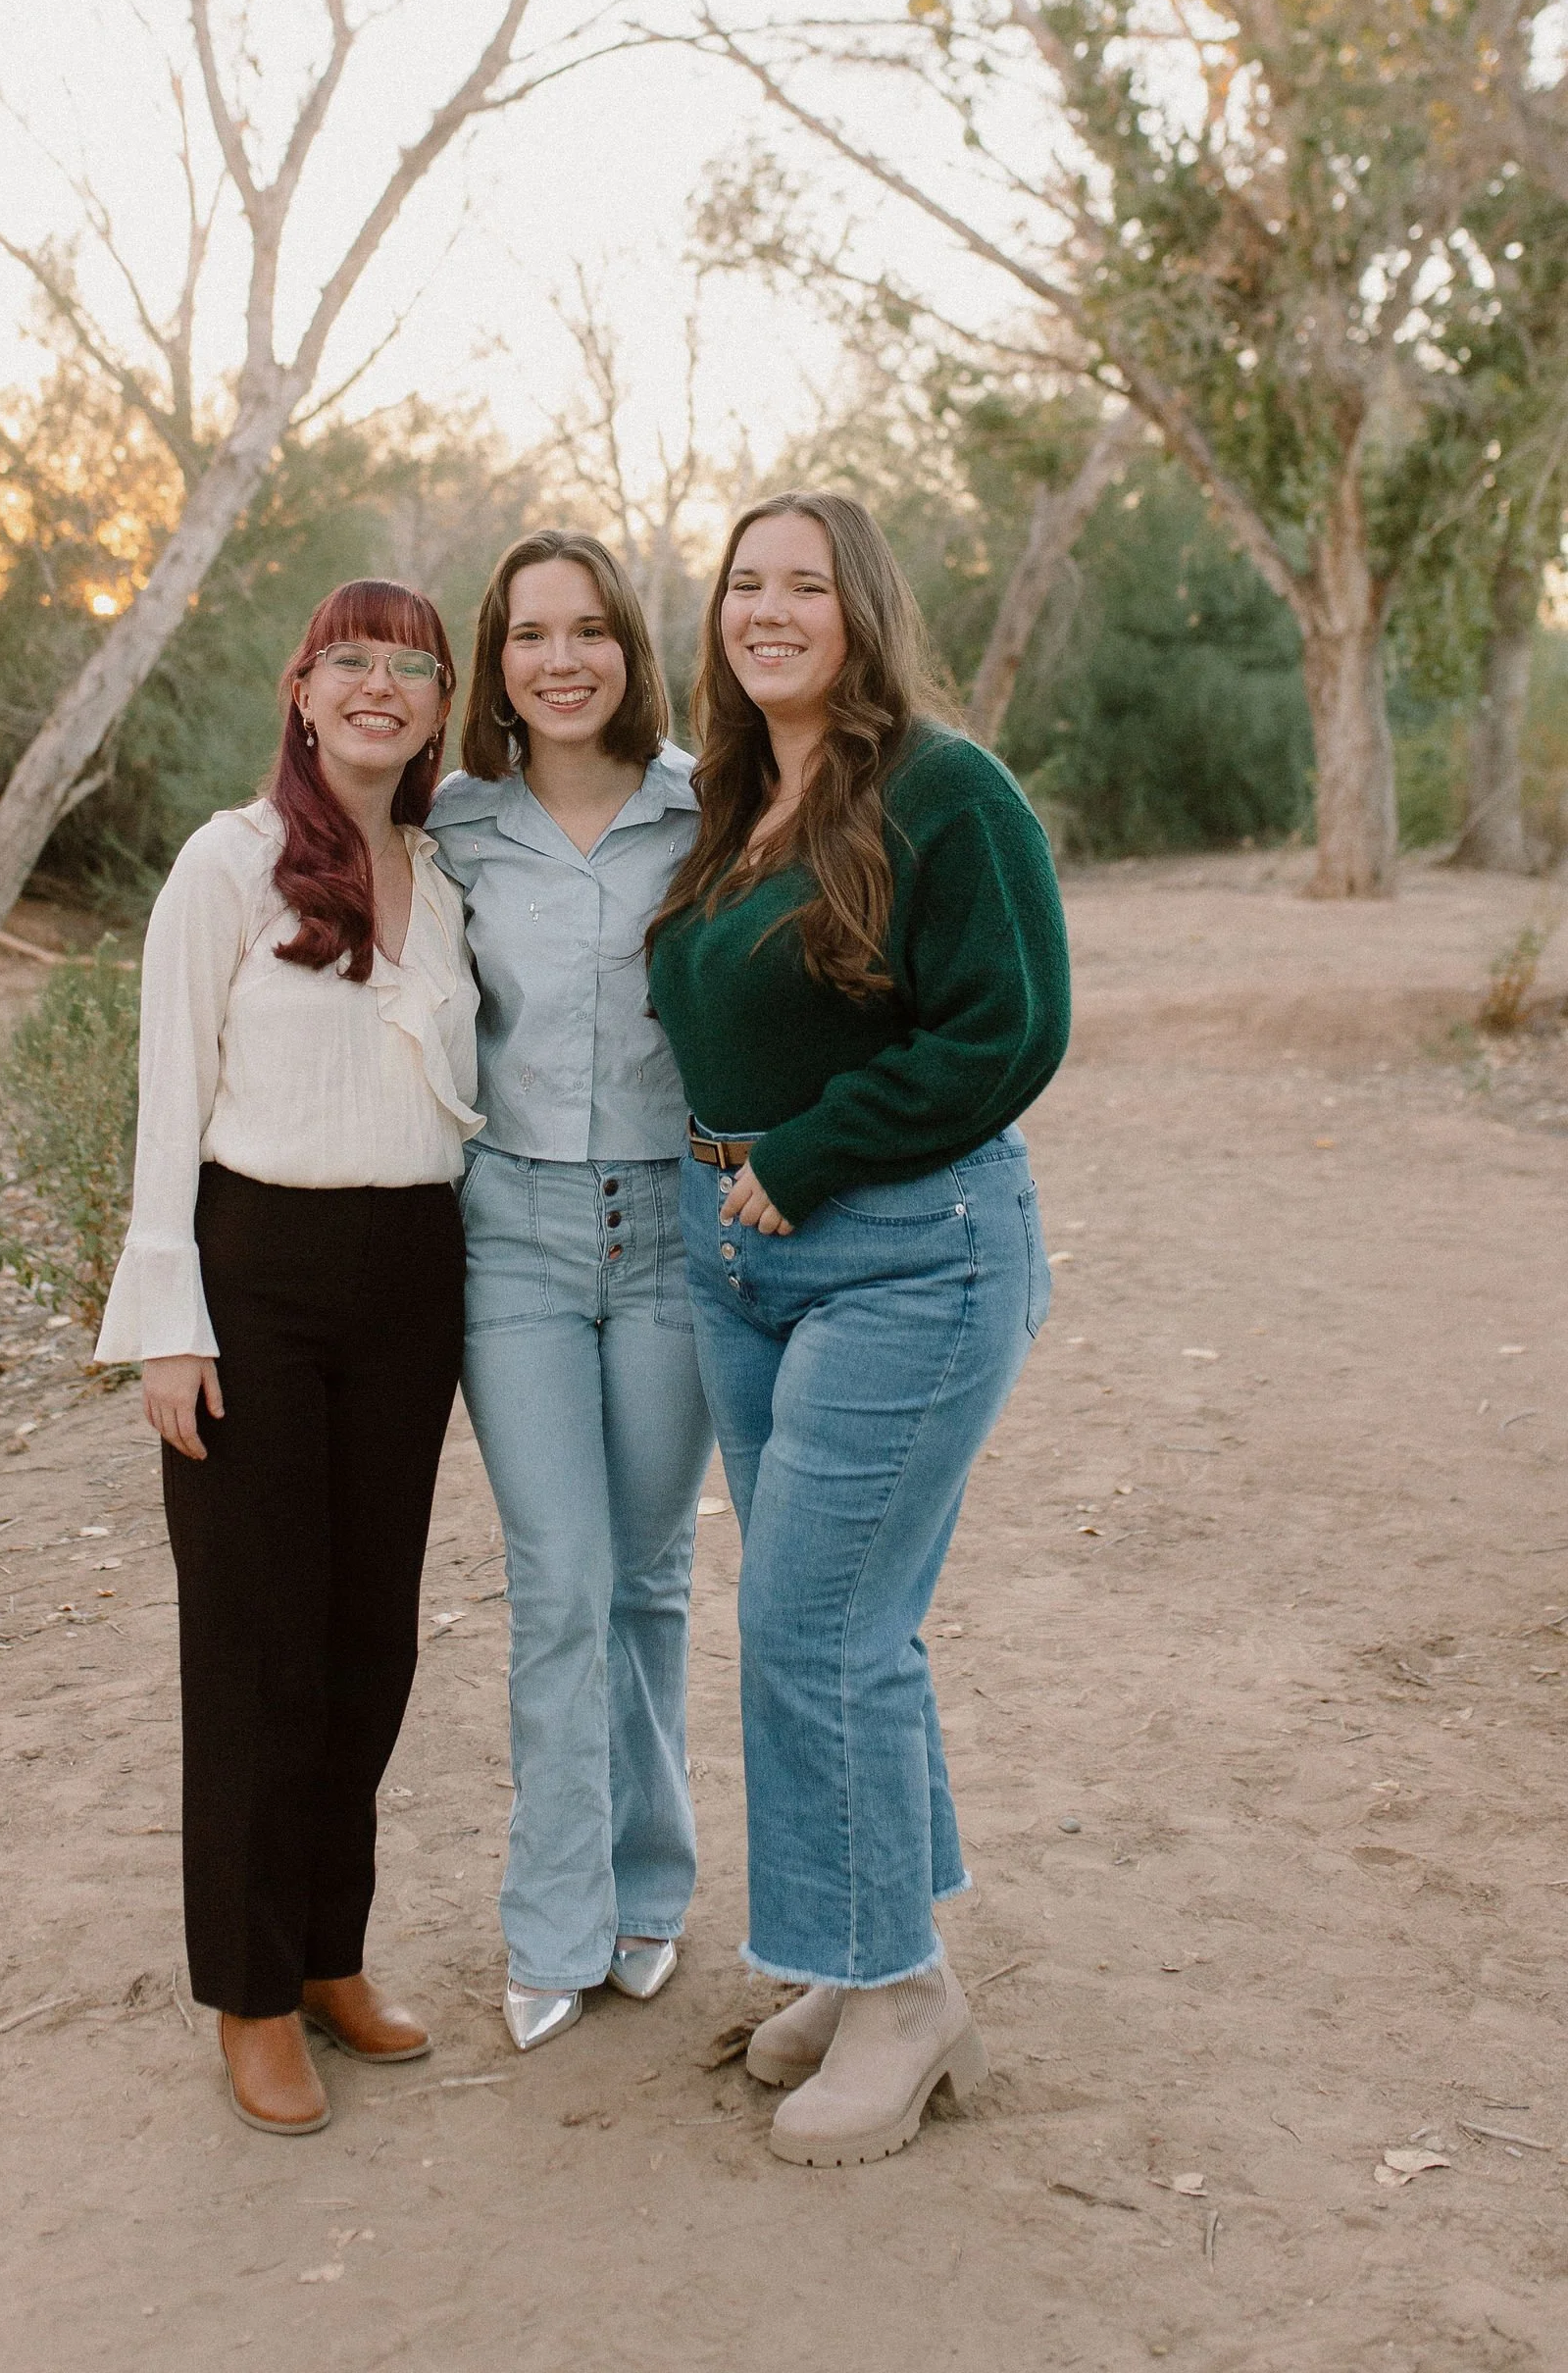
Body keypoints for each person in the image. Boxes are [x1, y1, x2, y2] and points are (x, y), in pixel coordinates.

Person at [645, 492, 1070, 2169]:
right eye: (744, 585)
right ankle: (858, 1947)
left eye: (802, 586)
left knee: (817, 1625)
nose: (768, 611)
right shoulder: (737, 801)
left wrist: (811, 1157)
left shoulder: (945, 792)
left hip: (910, 1250)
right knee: (838, 1624)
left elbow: (1012, 1027)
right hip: (742, 1260)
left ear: (860, 609)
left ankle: (900, 2001)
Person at [94, 580, 481, 2138]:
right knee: (258, 1648)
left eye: (414, 666)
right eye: (353, 662)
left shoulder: (451, 873)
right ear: (301, 688)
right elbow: (167, 1101)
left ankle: (330, 1955)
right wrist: (169, 1326)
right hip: (258, 1275)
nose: (382, 687)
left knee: (369, 1638)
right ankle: (248, 1998)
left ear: (443, 703)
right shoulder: (229, 864)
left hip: (415, 1280)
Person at [431, 530, 712, 2051]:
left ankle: (650, 1887)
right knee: (560, 1584)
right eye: (530, 634)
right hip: (516, 1239)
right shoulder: (456, 825)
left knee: (651, 1580)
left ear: (629, 649)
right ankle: (552, 1919)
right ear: (498, 660)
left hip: (673, 1233)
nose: (560, 659)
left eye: (589, 631)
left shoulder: (707, 808)